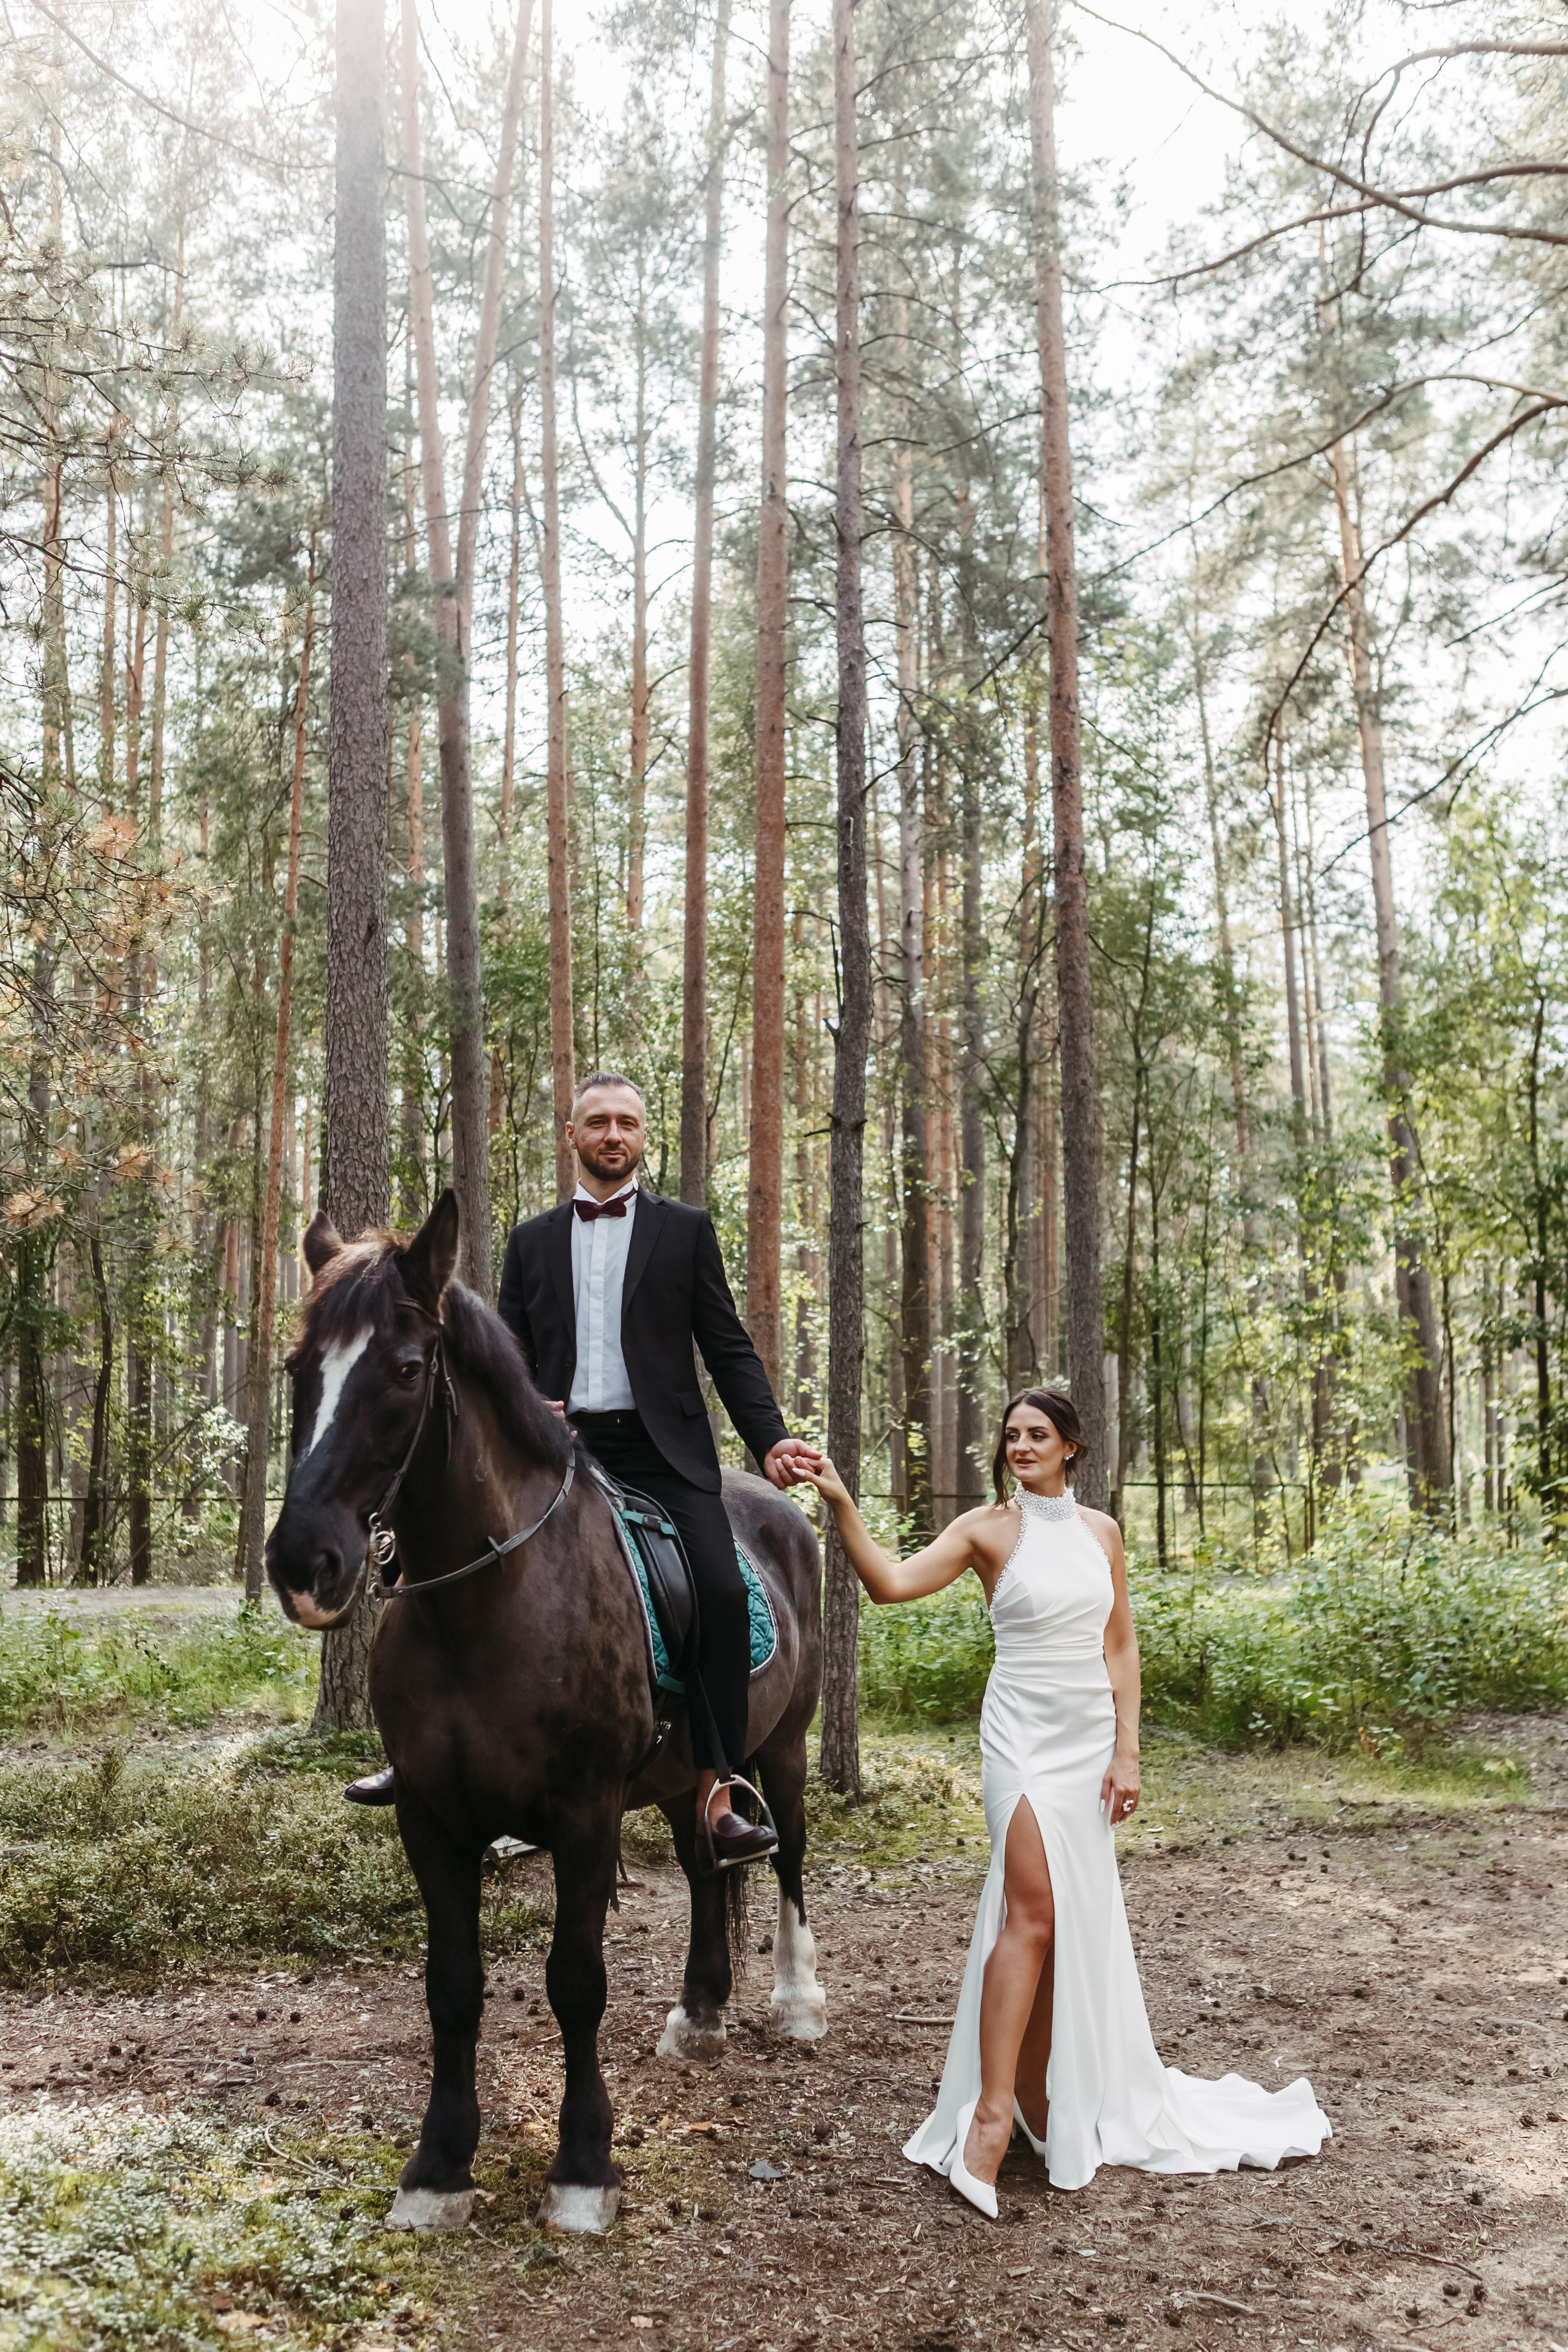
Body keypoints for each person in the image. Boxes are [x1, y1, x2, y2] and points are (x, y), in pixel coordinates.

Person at [801, 1388, 1330, 2212]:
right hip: (1019, 1737)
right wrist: (841, 1502)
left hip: (1087, 1743)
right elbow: (891, 1585)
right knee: (1033, 1913)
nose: (1021, 1446)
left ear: (1070, 1446)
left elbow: (1120, 1644)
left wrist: (1128, 1750)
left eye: (1037, 1434)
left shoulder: (1101, 1533)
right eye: (1012, 1435)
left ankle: (1040, 2101)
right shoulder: (985, 1529)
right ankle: (988, 2119)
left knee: (1060, 1924)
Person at [493, 1071, 819, 1870]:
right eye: (598, 1122)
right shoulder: (531, 1241)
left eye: (627, 1123)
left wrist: (770, 1440)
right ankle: (467, 1773)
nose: (613, 1135)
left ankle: (718, 1794)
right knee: (476, 1572)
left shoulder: (686, 1231)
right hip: (560, 1454)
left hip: (665, 1454)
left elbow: (728, 1349)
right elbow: (506, 1354)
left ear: (644, 1136)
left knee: (721, 1591)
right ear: (572, 1135)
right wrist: (528, 1407)